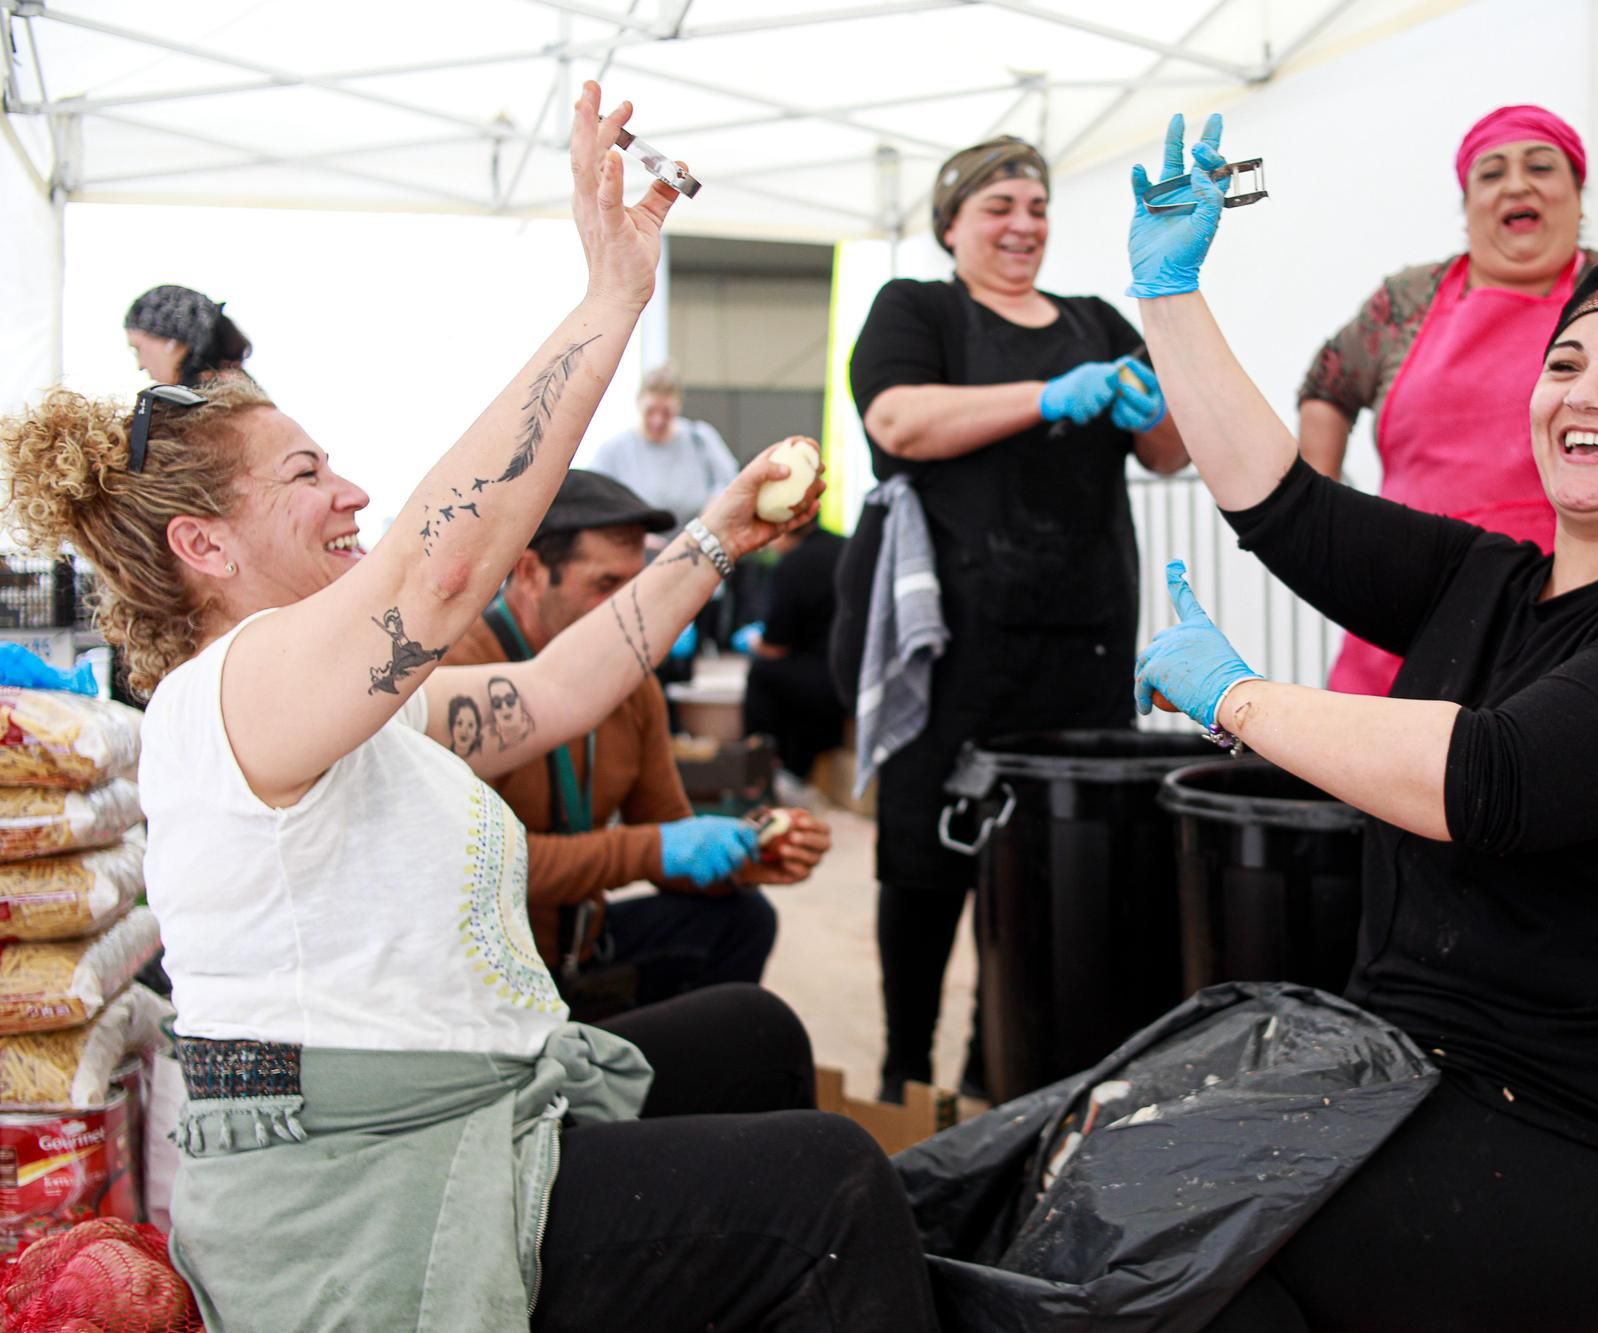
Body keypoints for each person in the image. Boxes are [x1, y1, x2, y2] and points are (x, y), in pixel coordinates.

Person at [0, 84, 937, 1332]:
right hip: (362, 1189)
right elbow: (442, 568)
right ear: (203, 547)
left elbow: (554, 690)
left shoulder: (335, 705)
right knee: (827, 1184)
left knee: (750, 1030)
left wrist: (717, 533)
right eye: (306, 474)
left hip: (466, 1103)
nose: (351, 491)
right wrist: (608, 301)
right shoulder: (233, 688)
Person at [1128, 116, 1598, 1331]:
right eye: (1564, 363)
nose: (1585, 391)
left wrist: (1235, 697)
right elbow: (1279, 504)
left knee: (1219, 1259)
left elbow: (1490, 781)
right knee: (1143, 1183)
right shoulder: (1486, 579)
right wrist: (1168, 295)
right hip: (1422, 1072)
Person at [846, 133, 1190, 1101]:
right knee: (925, 867)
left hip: (1080, 643)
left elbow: (1164, 453)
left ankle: (993, 1071)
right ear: (950, 223)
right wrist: (1050, 395)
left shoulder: (1093, 319)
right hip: (954, 647)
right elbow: (898, 422)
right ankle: (903, 1067)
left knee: (1056, 878)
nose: (1022, 225)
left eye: (1035, 207)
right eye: (998, 206)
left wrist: (1154, 383)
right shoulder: (917, 309)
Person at [1295, 104, 1598, 696]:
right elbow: (1327, 386)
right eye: (1492, 172)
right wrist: (1323, 512)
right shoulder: (1405, 300)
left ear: (1579, 197)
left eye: (1540, 166)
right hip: (1408, 601)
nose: (1517, 184)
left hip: (1580, 616)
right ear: (1467, 204)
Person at [442, 467, 834, 1018]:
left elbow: (668, 829)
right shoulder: (456, 678)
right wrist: (655, 849)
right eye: (606, 586)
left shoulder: (633, 684)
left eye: (638, 583)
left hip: (581, 948)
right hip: (479, 982)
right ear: (529, 572)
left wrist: (747, 856)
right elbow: (481, 867)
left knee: (745, 922)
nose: (631, 609)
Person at [742, 519, 849, 783]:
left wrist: (755, 642)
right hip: (855, 673)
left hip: (825, 682)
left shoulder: (793, 565)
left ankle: (761, 771)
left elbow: (774, 648)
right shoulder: (847, 547)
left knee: (762, 673)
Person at [587, 360, 739, 538]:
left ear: (678, 407)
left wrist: (709, 517)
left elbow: (730, 483)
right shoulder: (613, 450)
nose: (658, 420)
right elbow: (595, 501)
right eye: (650, 411)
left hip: (696, 543)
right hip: (636, 548)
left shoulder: (700, 439)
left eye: (666, 413)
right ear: (638, 403)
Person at [123, 284, 253, 388]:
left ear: (172, 341)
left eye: (138, 349)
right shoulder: (240, 392)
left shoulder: (194, 407)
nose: (140, 365)